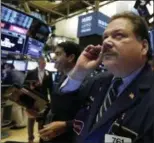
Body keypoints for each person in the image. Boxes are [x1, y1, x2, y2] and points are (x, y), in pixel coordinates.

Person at [39, 12, 154, 143]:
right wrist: (79, 72)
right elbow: (61, 110)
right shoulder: (99, 81)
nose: (106, 42)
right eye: (105, 37)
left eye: (119, 35)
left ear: (144, 46)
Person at [25, 57, 53, 143]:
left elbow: (50, 88)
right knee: (31, 120)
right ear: (38, 63)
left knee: (41, 120)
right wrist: (31, 87)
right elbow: (24, 85)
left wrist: (51, 100)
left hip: (43, 100)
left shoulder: (49, 73)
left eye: (45, 63)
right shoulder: (31, 72)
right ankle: (30, 138)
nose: (44, 64)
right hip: (32, 100)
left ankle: (41, 137)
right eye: (42, 63)